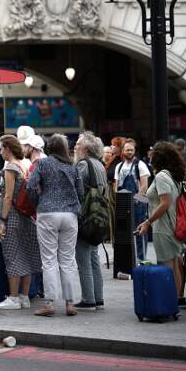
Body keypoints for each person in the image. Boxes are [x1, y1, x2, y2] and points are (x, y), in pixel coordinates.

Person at [27, 134, 84, 317]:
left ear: (49, 147)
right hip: (69, 214)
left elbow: (30, 186)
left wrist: (38, 203)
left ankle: (49, 303)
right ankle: (70, 303)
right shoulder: (72, 165)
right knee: (68, 260)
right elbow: (80, 191)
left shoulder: (43, 164)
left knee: (49, 260)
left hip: (47, 213)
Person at [135, 142, 186, 304]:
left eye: (152, 154)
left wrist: (148, 222)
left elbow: (165, 203)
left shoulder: (161, 177)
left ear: (158, 157)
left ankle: (168, 302)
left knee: (167, 266)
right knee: (174, 264)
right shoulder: (171, 175)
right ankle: (176, 299)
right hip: (172, 224)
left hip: (163, 226)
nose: (150, 156)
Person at [0, 135, 41, 310]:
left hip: (13, 217)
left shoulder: (10, 167)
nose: (0, 152)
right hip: (26, 216)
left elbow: (8, 197)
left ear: (8, 148)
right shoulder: (24, 165)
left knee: (12, 256)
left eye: (1, 148)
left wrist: (3, 220)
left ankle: (13, 298)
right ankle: (24, 297)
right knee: (26, 256)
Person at [73, 132, 107, 311]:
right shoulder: (99, 164)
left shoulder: (83, 165)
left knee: (83, 259)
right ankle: (98, 298)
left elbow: (76, 191)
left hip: (85, 216)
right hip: (98, 216)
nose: (75, 146)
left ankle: (88, 299)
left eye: (78, 144)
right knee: (94, 258)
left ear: (86, 148)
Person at [115, 139, 151, 262]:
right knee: (124, 232)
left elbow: (144, 186)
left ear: (135, 151)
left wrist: (136, 200)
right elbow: (116, 185)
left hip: (139, 202)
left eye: (131, 150)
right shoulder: (119, 166)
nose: (129, 152)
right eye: (127, 150)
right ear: (123, 151)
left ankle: (141, 258)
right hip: (123, 203)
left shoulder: (140, 165)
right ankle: (127, 258)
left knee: (139, 231)